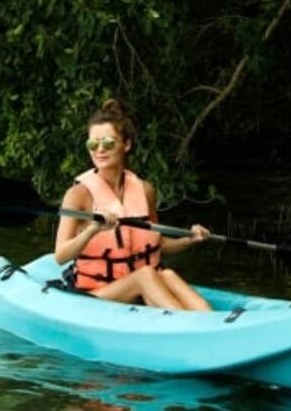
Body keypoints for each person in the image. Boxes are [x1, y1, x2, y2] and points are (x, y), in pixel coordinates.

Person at [54, 99, 212, 311]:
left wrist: (189, 239)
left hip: (142, 283)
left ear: (126, 144)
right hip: (97, 294)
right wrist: (92, 229)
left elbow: (157, 243)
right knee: (146, 275)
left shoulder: (145, 190)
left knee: (167, 274)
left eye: (108, 143)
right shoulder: (78, 195)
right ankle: (188, 329)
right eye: (93, 144)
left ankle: (210, 322)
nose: (99, 150)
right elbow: (60, 256)